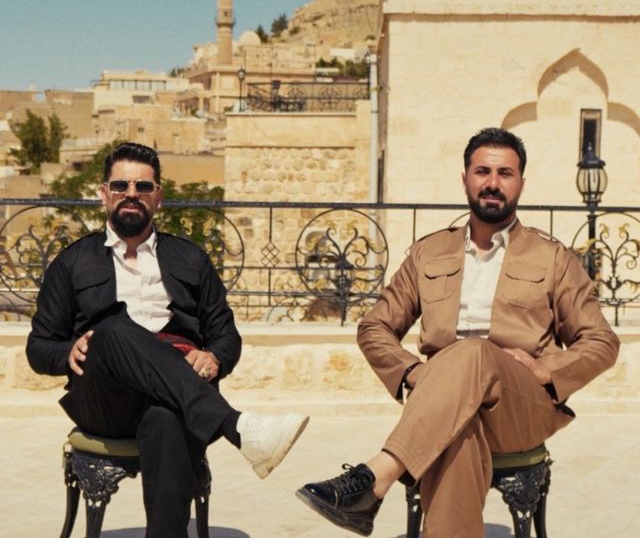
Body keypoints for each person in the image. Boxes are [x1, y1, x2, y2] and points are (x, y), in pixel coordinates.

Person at [296, 127, 619, 538]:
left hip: (520, 405)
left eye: (505, 173)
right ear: (465, 178)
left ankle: (376, 476)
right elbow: (375, 326)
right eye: (483, 171)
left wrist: (546, 370)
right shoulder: (428, 252)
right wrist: (412, 372)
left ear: (521, 183)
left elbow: (602, 342)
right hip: (446, 403)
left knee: (472, 351)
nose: (493, 183)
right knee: (458, 433)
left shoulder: (552, 257)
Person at [27, 142, 308, 538]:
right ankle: (236, 426)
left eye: (143, 187)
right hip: (105, 400)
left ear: (158, 197)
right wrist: (67, 351)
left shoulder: (190, 258)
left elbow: (226, 334)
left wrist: (214, 357)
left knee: (167, 418)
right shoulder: (72, 263)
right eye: (120, 185)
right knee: (112, 329)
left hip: (174, 397)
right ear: (104, 193)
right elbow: (38, 347)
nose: (131, 194)